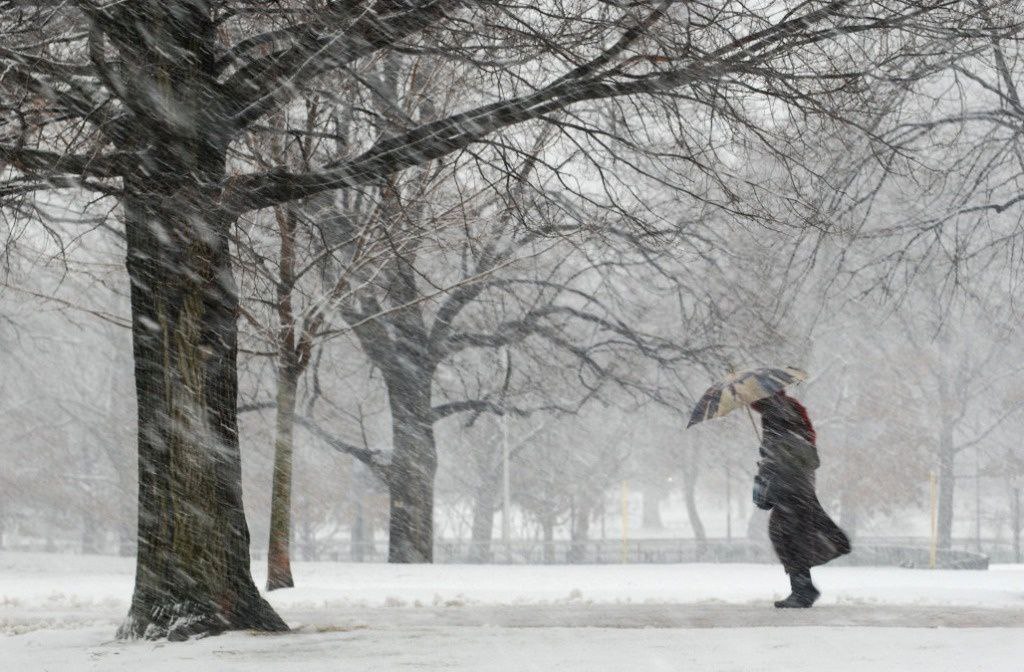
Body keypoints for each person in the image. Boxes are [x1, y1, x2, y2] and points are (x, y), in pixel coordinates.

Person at [751, 391, 850, 608]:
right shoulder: (789, 409)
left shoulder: (774, 413)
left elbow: (779, 449)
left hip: (789, 485)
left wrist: (767, 461)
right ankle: (803, 588)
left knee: (787, 537)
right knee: (792, 535)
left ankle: (803, 590)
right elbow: (799, 448)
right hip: (799, 483)